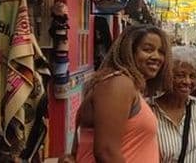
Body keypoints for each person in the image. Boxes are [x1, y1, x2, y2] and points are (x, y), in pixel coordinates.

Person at [73, 24, 172, 163]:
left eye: (161, 52)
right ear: (129, 51)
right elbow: (106, 151)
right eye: (148, 49)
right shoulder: (119, 83)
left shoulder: (130, 87)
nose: (156, 57)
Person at [151, 46, 196, 162]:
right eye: (180, 75)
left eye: (192, 76)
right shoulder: (149, 110)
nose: (187, 81)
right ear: (167, 76)